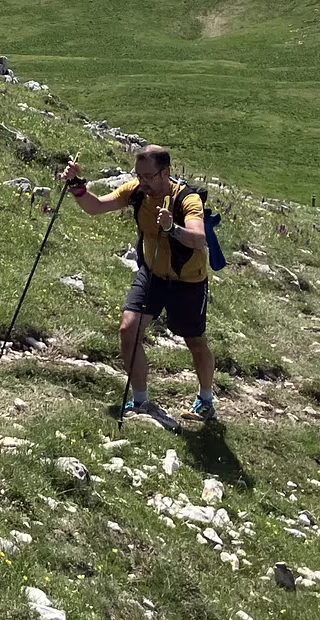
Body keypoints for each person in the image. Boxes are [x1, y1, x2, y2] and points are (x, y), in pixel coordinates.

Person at [61, 144, 218, 424]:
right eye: (138, 175)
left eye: (148, 176)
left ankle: (206, 400)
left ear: (166, 172)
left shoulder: (187, 199)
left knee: (195, 341)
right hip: (152, 273)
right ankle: (141, 400)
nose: (142, 181)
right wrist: (76, 185)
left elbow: (198, 238)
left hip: (188, 280)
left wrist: (171, 228)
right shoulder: (136, 191)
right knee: (128, 329)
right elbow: (97, 207)